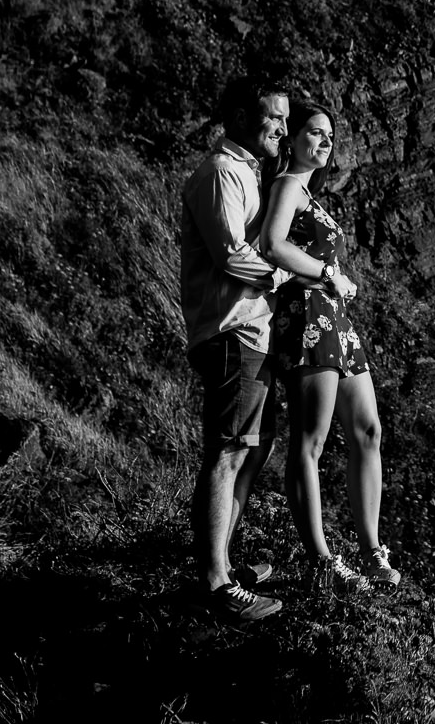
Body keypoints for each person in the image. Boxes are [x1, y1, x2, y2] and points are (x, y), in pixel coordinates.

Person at [262, 99, 403, 593]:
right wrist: (326, 273)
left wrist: (335, 280)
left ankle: (372, 552)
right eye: (316, 133)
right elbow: (272, 244)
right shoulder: (286, 186)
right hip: (307, 317)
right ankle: (321, 559)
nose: (325, 142)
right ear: (293, 137)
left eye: (329, 136)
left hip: (336, 320)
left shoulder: (310, 194)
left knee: (368, 431)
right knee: (311, 441)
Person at [180, 77, 291, 623]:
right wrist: (285, 278)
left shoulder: (247, 171)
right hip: (231, 332)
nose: (283, 128)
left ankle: (221, 560)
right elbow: (231, 254)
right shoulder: (222, 172)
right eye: (274, 117)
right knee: (227, 450)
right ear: (243, 117)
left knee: (253, 446)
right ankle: (214, 582)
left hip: (250, 331)